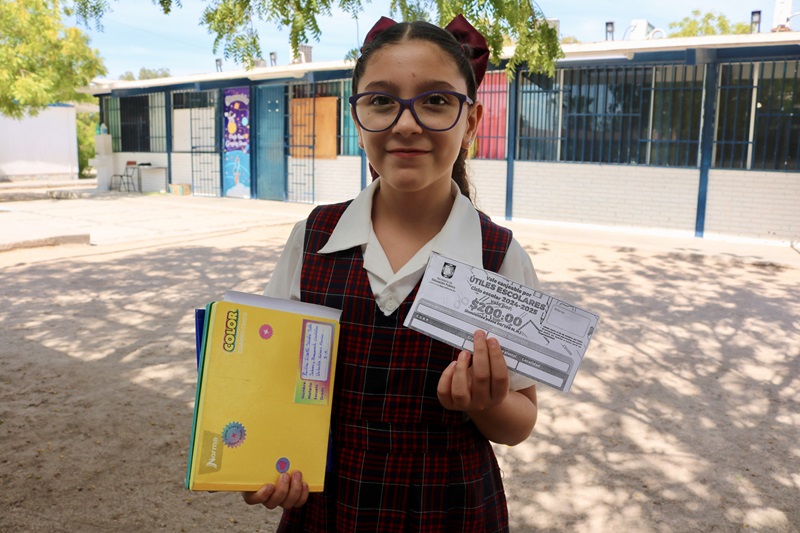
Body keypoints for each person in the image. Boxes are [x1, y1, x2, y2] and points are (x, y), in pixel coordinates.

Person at [242, 14, 539, 532]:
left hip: (451, 511)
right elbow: (267, 378)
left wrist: (487, 403)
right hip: (327, 508)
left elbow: (520, 422)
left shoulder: (497, 255)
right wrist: (258, 464)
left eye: (436, 100)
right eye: (381, 100)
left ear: (471, 121)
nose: (406, 124)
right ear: (357, 120)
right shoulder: (313, 238)